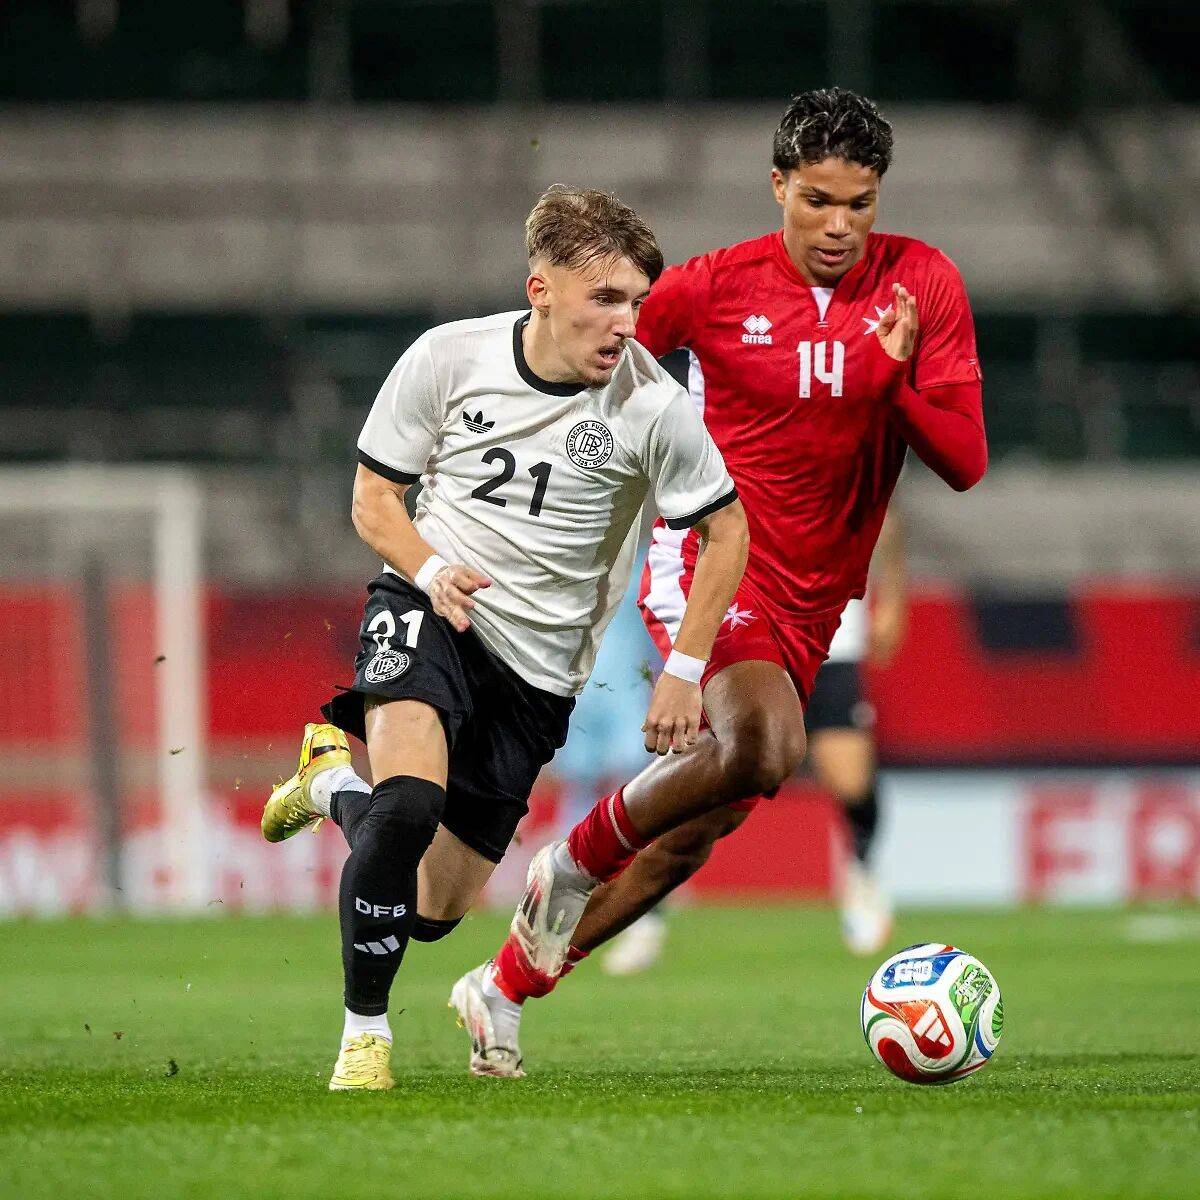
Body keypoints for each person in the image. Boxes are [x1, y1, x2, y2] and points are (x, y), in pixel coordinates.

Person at [458, 87, 986, 1075]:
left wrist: (895, 387)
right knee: (769, 744)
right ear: (778, 185)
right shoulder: (712, 288)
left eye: (860, 203)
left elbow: (965, 460)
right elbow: (591, 354)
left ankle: (503, 987)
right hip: (711, 556)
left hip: (821, 597)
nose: (838, 225)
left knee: (692, 835)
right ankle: (570, 860)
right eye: (817, 199)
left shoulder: (923, 285)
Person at [259, 185, 748, 1089]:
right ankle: (364, 1038)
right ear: (541, 289)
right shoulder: (447, 358)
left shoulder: (654, 406)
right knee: (408, 805)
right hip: (431, 612)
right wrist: (430, 568)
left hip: (539, 676)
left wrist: (686, 667)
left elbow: (727, 531)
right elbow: (374, 499)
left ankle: (328, 783)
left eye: (637, 301)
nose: (626, 322)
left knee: (432, 910)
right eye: (605, 298)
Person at [598, 508, 908, 973]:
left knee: (850, 777)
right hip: (746, 619)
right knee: (695, 779)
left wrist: (895, 599)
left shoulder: (851, 463)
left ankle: (862, 874)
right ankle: (646, 916)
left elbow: (886, 515)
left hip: (831, 629)